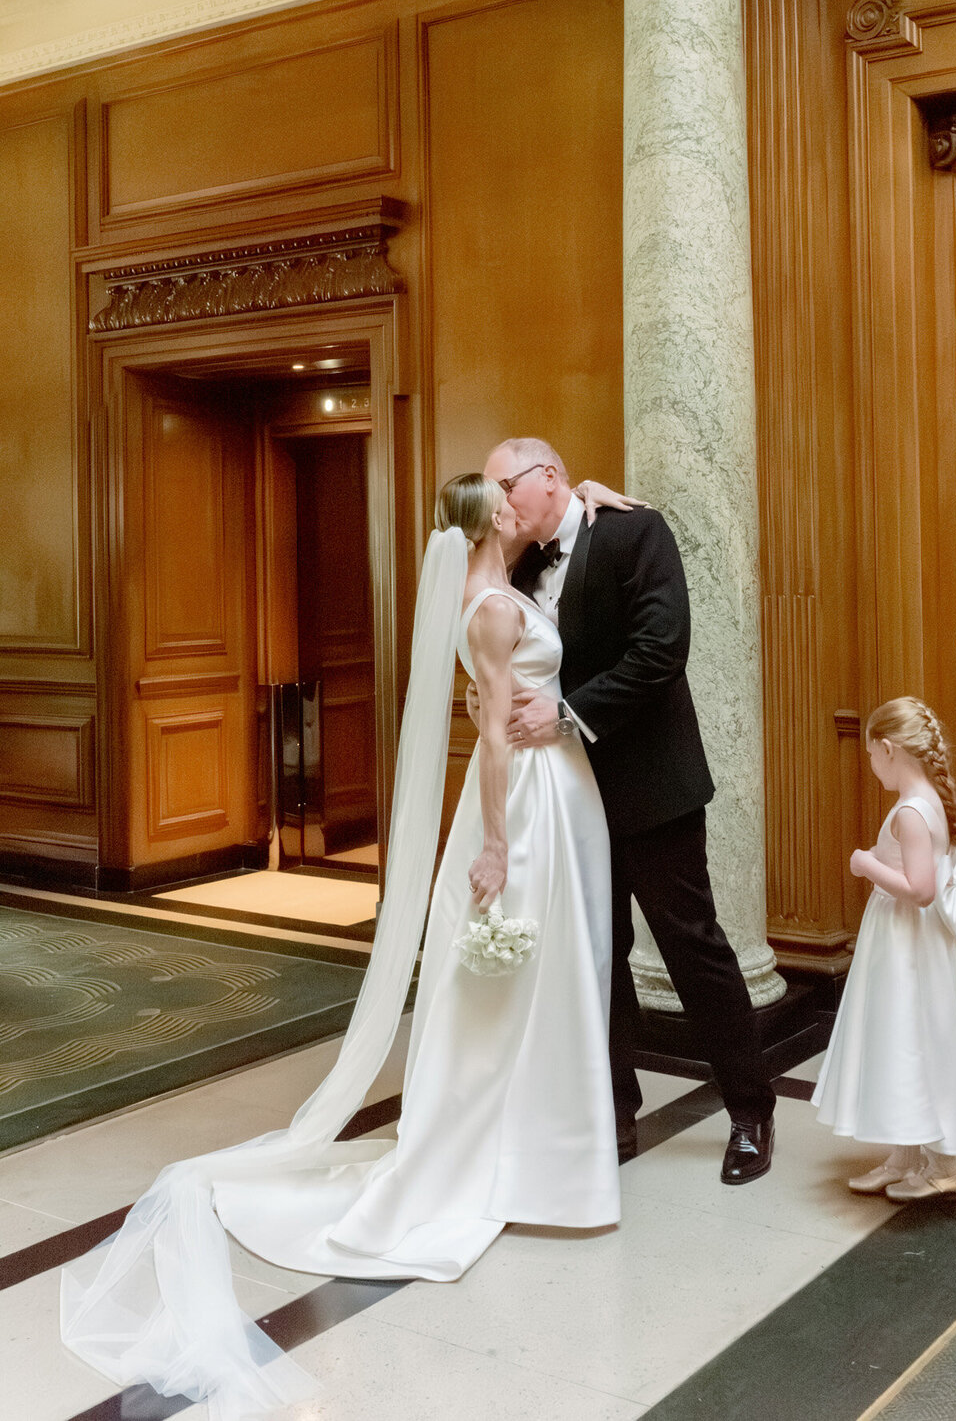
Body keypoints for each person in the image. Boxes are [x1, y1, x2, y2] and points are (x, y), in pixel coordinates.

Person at [61, 474, 619, 1421]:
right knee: (513, 987)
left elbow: (562, 583)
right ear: (492, 525)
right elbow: (489, 734)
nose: (527, 506)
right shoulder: (488, 612)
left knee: (560, 978)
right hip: (520, 805)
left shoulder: (514, 585)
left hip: (563, 797)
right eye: (510, 501)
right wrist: (491, 842)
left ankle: (542, 1147)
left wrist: (600, 501)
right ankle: (505, 1156)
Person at [480, 437, 776, 1185]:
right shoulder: (512, 563)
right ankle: (614, 1113)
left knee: (692, 947)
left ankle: (751, 1110)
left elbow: (660, 649)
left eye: (506, 486)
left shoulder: (635, 531)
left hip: (652, 786)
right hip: (564, 800)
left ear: (550, 477)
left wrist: (568, 714)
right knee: (597, 958)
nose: (499, 503)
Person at [811, 697, 956, 1201]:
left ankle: (944, 1167)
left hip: (911, 943)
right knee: (899, 1036)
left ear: (888, 748)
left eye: (872, 758)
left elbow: (920, 889)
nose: (872, 768)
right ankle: (903, 1154)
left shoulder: (914, 812)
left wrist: (864, 863)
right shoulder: (923, 803)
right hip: (904, 941)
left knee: (920, 1036)